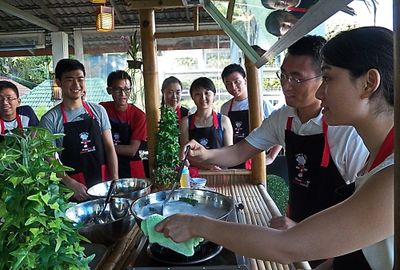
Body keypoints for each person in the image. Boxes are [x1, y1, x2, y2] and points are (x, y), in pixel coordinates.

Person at [157, 26, 394, 269]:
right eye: (284, 76)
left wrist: (196, 224)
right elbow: (351, 252)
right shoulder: (289, 119)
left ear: (369, 83)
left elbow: (287, 246)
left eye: (328, 78)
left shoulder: (388, 176)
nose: (322, 92)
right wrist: (205, 154)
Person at [39, 59, 118, 202]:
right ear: (58, 82)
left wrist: (114, 181)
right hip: (73, 189)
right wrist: (70, 183)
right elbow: (50, 159)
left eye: (80, 79)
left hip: (103, 185)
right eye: (70, 79)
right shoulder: (50, 119)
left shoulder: (98, 111)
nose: (76, 85)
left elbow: (109, 148)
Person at [220, 64, 281, 169]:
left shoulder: (261, 104)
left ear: (245, 80)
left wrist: (271, 156)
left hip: (256, 160)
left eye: (237, 82)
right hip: (234, 158)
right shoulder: (225, 107)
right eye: (228, 84)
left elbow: (280, 127)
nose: (233, 87)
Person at [100, 70, 147, 179]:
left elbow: (131, 150)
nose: (123, 94)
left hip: (131, 168)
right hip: (108, 167)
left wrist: (104, 146)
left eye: (126, 89)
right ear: (109, 90)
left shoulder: (138, 115)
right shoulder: (102, 109)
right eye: (118, 90)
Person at [180, 77, 233, 170]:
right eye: (198, 94)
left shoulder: (224, 121)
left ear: (214, 95)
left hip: (219, 174)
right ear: (192, 97)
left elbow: (230, 153)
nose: (203, 98)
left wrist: (223, 173)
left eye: (207, 93)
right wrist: (207, 167)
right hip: (195, 177)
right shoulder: (186, 122)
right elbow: (185, 154)